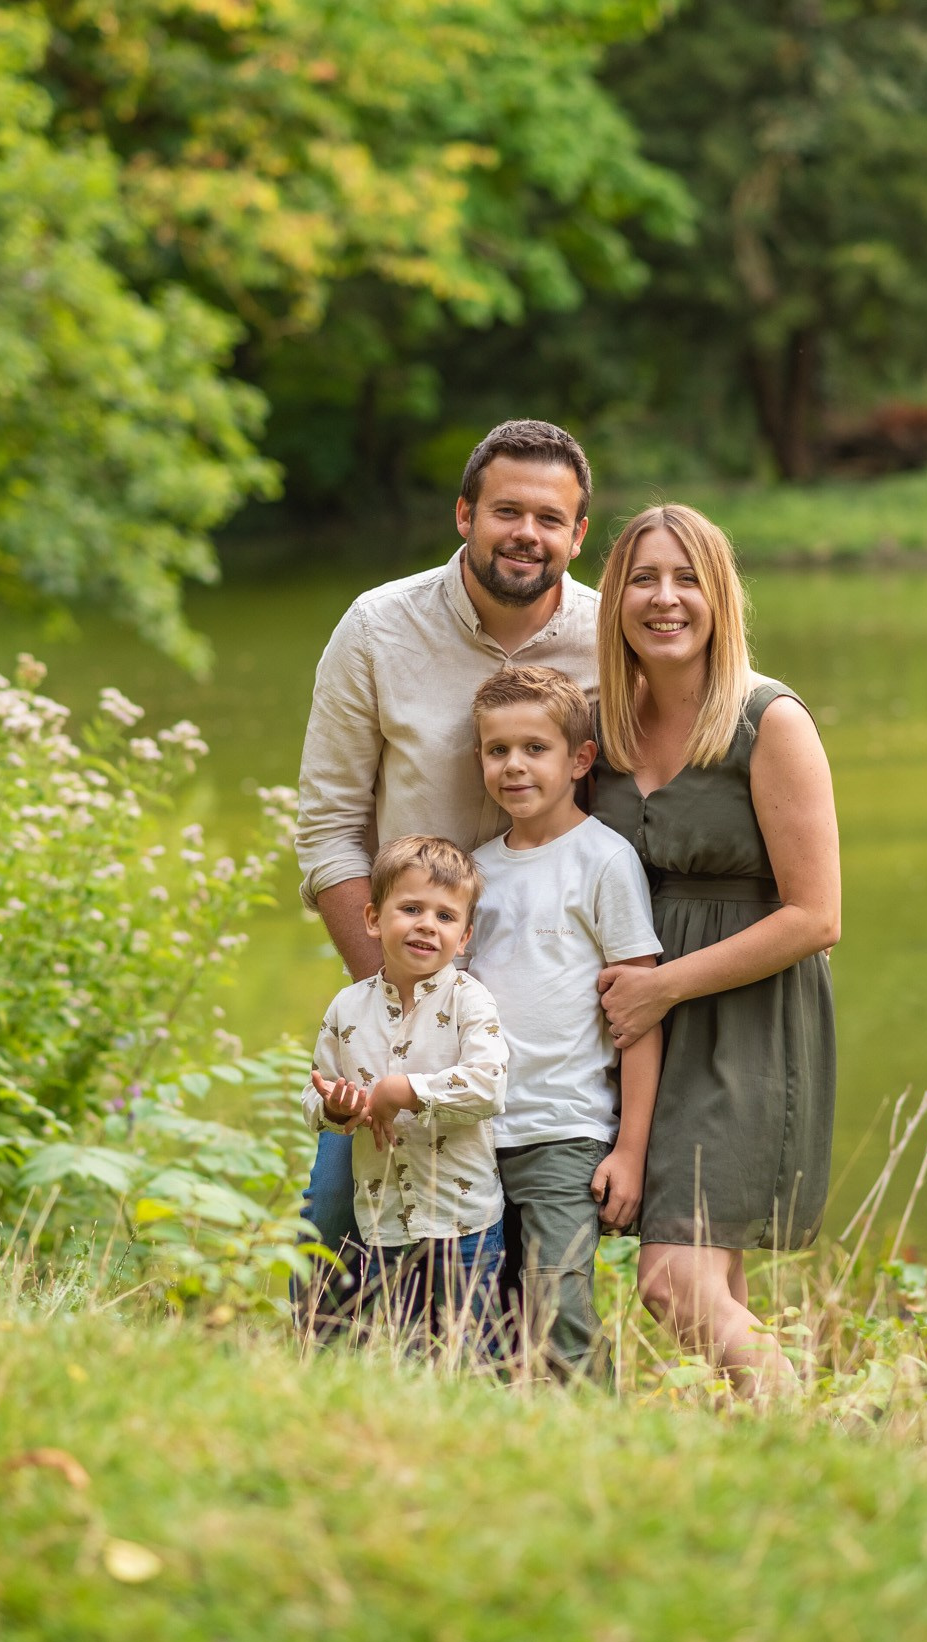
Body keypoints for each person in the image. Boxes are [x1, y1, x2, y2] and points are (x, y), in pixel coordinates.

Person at [296, 420, 598, 1265]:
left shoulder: (607, 637)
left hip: (550, 1005)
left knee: (532, 1264)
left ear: (577, 535)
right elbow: (328, 829)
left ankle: (512, 1391)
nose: (525, 536)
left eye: (549, 519)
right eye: (506, 511)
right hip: (403, 978)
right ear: (464, 513)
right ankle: (326, 1386)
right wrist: (396, 999)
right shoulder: (377, 627)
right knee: (334, 1234)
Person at [590, 504, 840, 1400]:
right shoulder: (598, 731)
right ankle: (770, 1453)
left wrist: (666, 990)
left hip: (747, 1016)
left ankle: (821, 1435)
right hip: (642, 1033)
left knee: (672, 1279)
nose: (664, 599)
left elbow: (815, 916)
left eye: (686, 578)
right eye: (643, 579)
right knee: (710, 1278)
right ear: (613, 597)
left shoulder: (767, 721)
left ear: (720, 597)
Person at [466, 665, 662, 1381]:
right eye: (495, 750)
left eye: (534, 748)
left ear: (580, 760)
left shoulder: (604, 861)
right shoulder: (474, 875)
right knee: (483, 1314)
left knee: (559, 1314)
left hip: (565, 1134)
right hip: (476, 1133)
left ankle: (601, 1452)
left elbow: (637, 1014)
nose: (513, 765)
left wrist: (630, 1151)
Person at [301, 834, 508, 1338]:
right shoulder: (347, 1007)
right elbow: (315, 1095)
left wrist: (406, 1091)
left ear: (464, 938)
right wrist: (337, 1109)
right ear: (373, 919)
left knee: (465, 1346)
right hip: (383, 1219)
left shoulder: (470, 1001)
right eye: (411, 908)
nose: (426, 925)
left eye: (445, 916)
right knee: (398, 1344)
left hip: (463, 1222)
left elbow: (488, 1086)